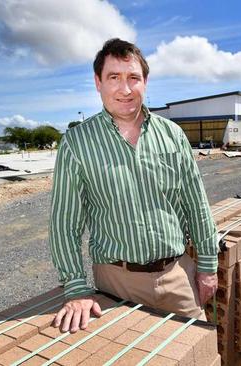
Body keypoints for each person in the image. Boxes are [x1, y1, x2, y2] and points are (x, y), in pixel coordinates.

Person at [48, 38, 219, 333]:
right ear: (97, 82)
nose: (125, 89)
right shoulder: (76, 143)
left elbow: (196, 204)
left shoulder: (173, 135)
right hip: (117, 284)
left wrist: (207, 266)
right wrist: (76, 289)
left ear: (145, 81)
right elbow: (65, 222)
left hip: (178, 275)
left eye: (133, 78)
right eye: (114, 77)